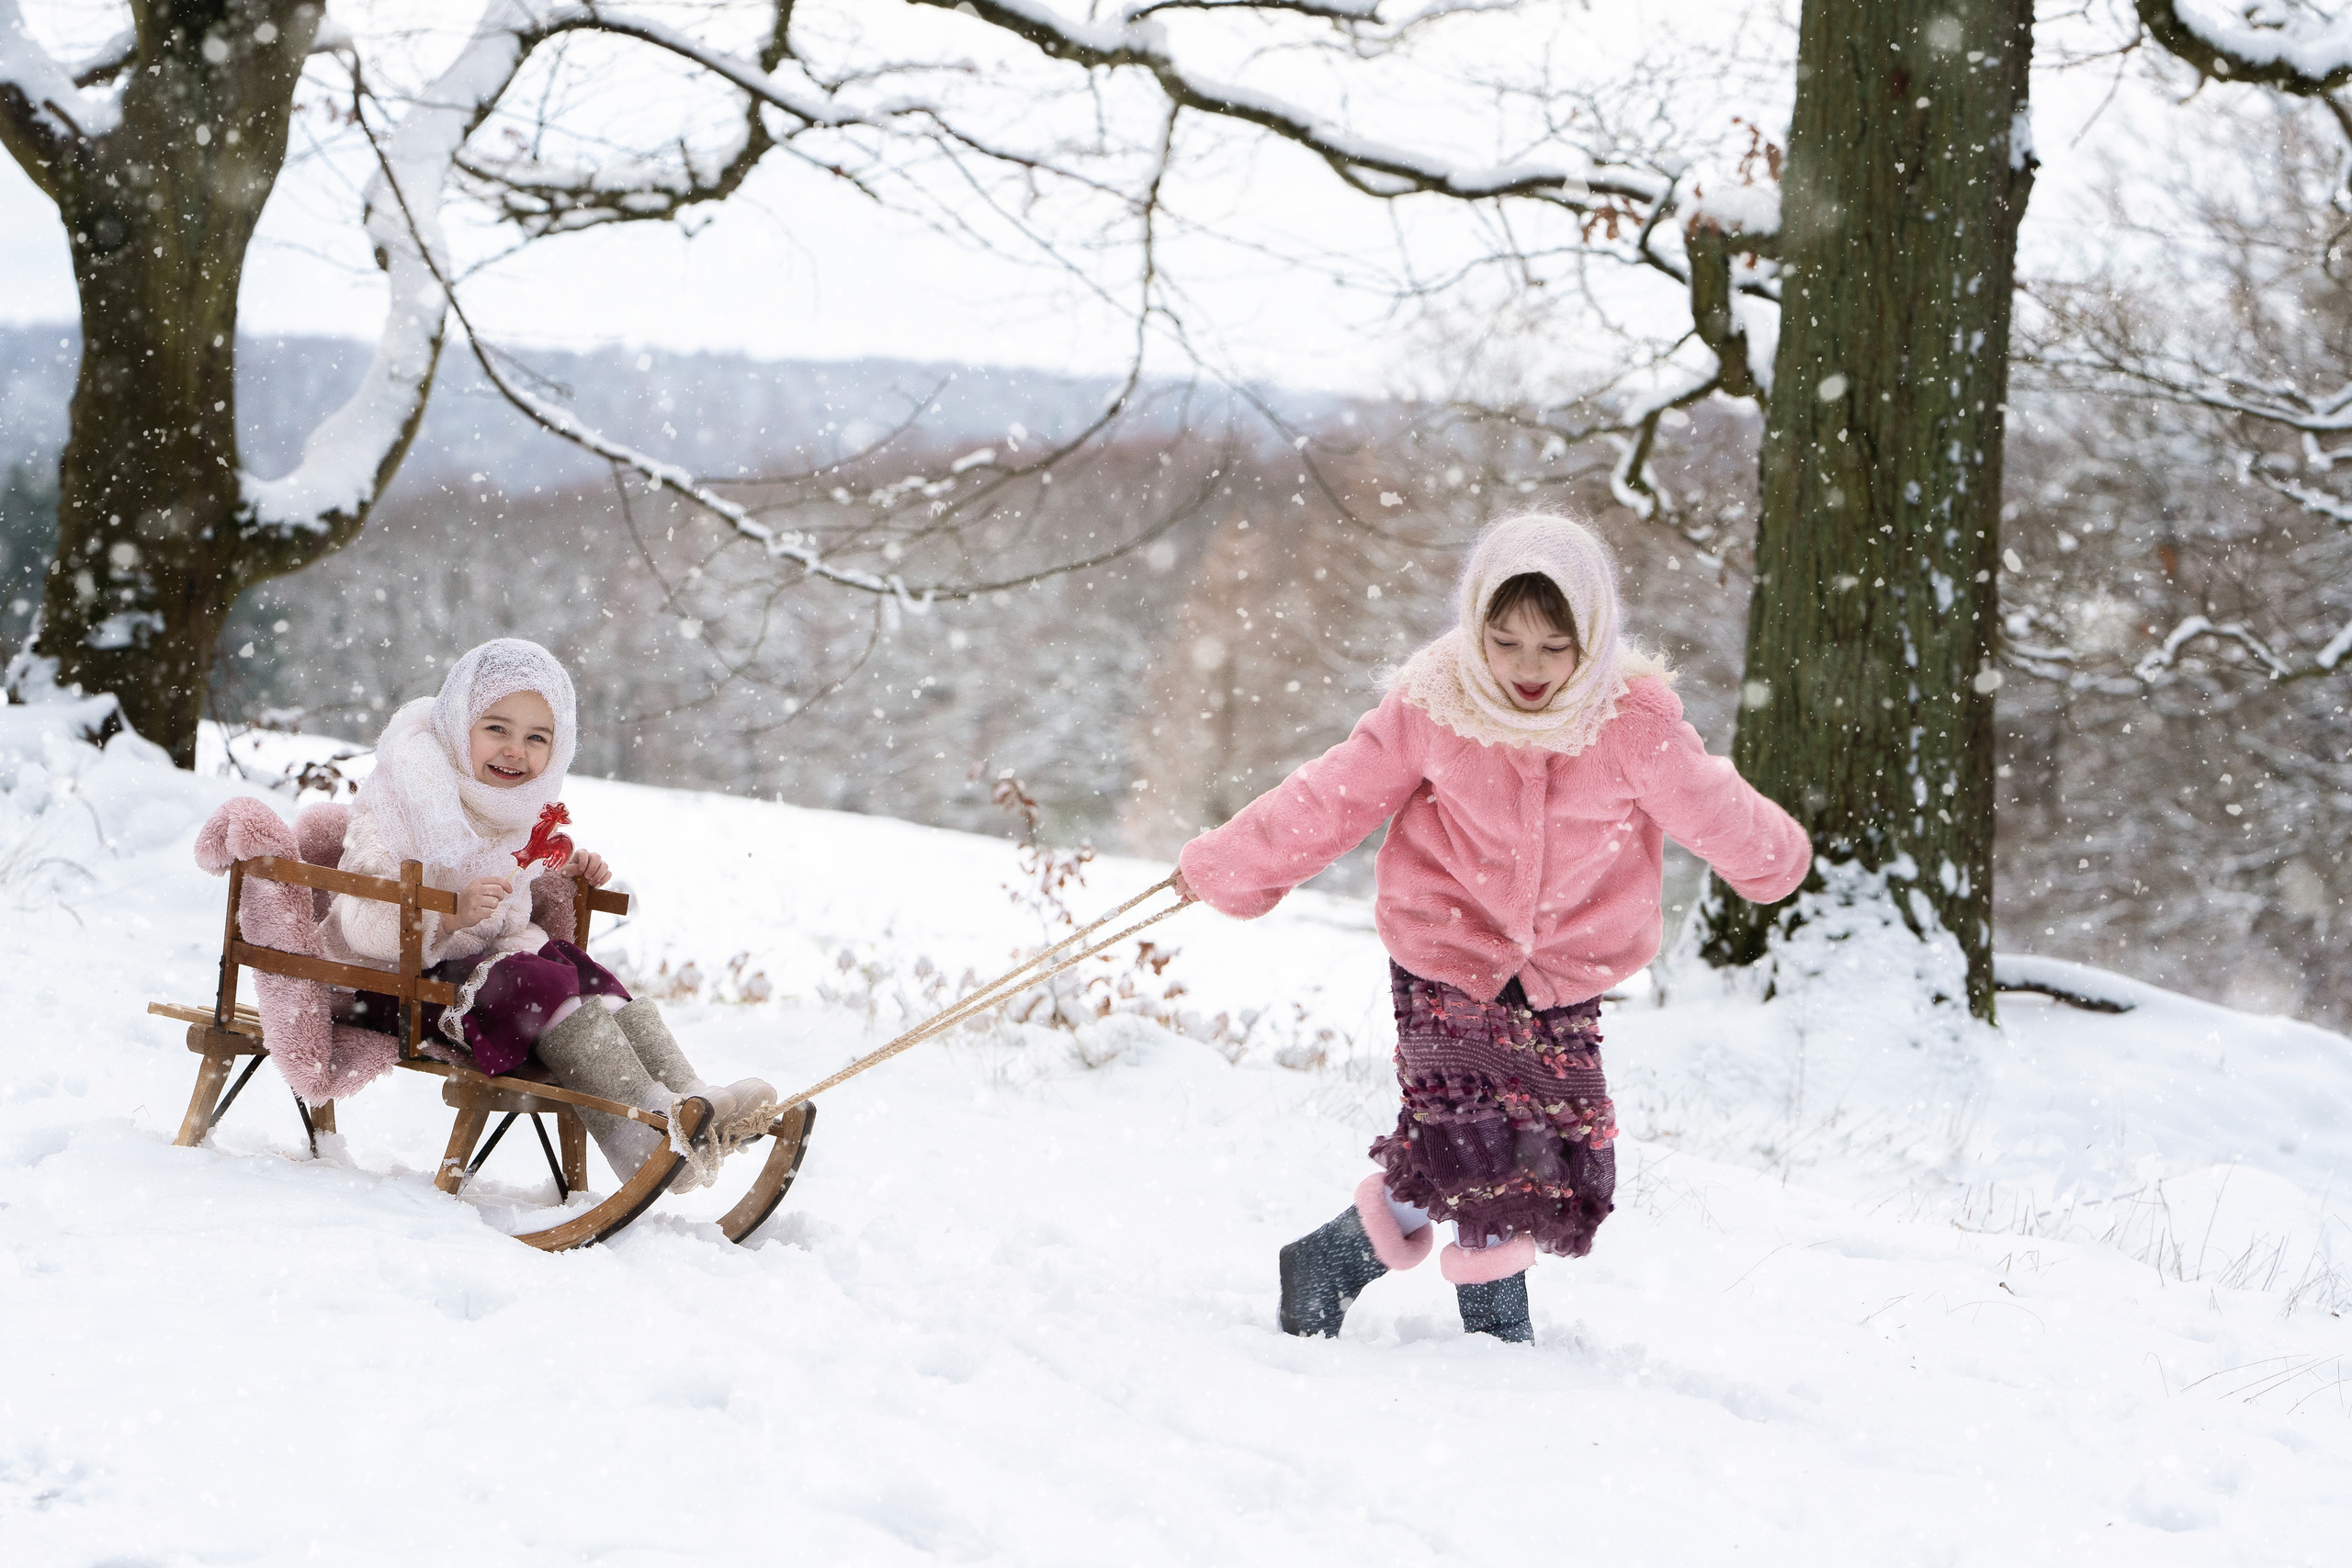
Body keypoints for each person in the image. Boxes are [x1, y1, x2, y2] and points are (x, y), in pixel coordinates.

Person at [1170, 514, 1809, 1342]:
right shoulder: (1435, 706)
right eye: (1505, 642)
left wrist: (1771, 859)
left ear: (1594, 637)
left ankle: (1331, 1258)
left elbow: (1711, 803)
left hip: (1564, 974)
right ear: (1475, 628)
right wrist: (1231, 864)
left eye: (1554, 647)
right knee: (1472, 1139)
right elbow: (1333, 796)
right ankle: (1496, 1333)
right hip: (1447, 952)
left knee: (1538, 1150)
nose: (1526, 669)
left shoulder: (1629, 723)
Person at [322, 637, 776, 1190]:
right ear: (455, 724)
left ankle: (692, 1098)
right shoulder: (398, 797)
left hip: (467, 983)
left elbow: (511, 926)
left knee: (571, 965)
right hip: (387, 987)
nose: (516, 750)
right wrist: (449, 919)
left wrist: (556, 880)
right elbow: (361, 925)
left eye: (536, 737)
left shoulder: (511, 811)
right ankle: (641, 1130)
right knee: (531, 977)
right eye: (496, 728)